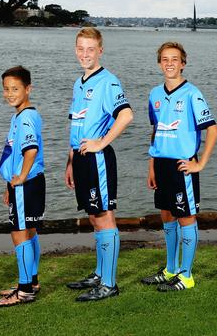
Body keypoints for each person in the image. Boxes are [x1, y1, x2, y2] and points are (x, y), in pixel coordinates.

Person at [141, 41, 217, 291]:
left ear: (183, 64)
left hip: (182, 166)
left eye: (174, 59)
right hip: (161, 164)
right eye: (165, 59)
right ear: (159, 63)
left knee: (186, 217)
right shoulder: (154, 94)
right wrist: (152, 165)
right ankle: (171, 269)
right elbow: (156, 130)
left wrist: (201, 163)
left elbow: (213, 130)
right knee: (167, 216)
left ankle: (186, 276)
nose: (169, 63)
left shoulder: (192, 94)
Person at [64, 27, 134, 301]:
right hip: (80, 159)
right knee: (94, 216)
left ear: (100, 51)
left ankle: (110, 283)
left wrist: (101, 143)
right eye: (80, 48)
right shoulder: (79, 83)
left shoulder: (108, 81)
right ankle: (99, 272)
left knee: (105, 217)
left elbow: (126, 115)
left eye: (90, 49)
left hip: (98, 160)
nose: (85, 54)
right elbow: (78, 124)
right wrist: (70, 161)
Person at [0, 66, 44, 306]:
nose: (10, 93)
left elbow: (30, 150)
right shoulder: (21, 115)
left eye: (15, 89)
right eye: (6, 89)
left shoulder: (25, 117)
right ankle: (31, 281)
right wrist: (10, 185)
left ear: (28, 89)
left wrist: (21, 178)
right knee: (29, 231)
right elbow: (15, 154)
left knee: (19, 233)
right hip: (25, 184)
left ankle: (24, 291)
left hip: (27, 183)